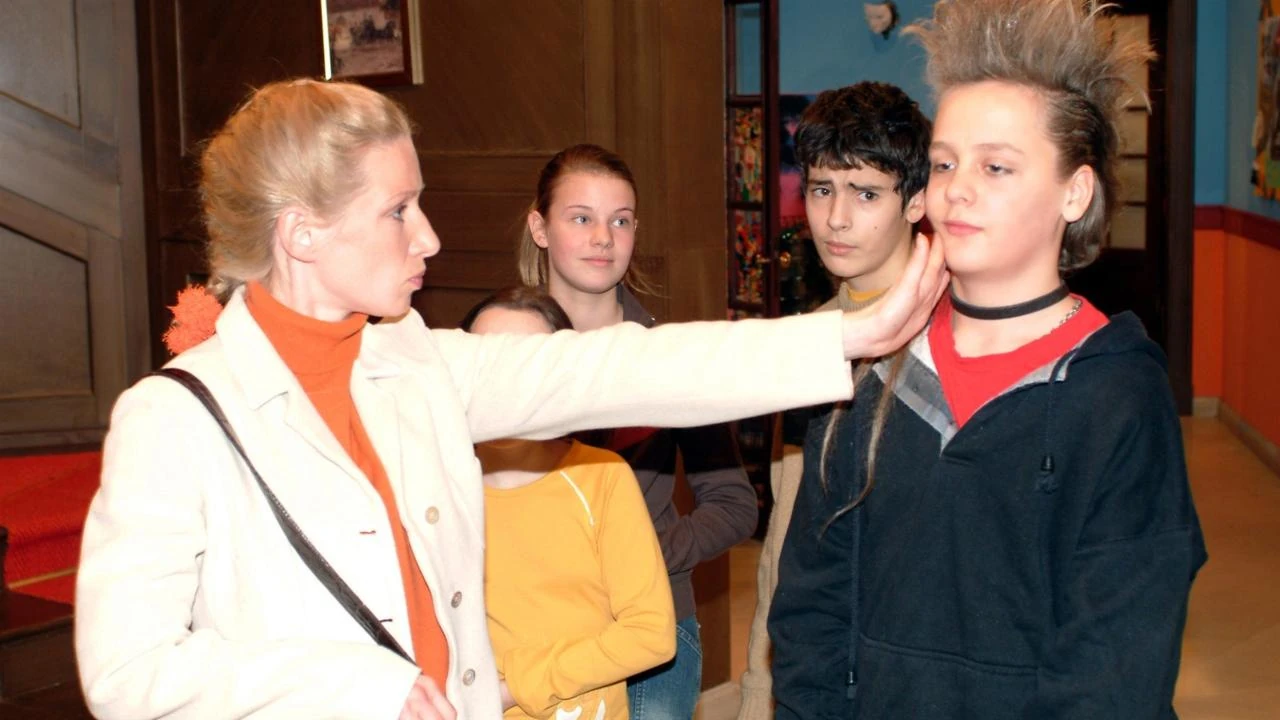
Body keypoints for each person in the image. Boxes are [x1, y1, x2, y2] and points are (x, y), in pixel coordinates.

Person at [73, 78, 947, 720]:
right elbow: (127, 674)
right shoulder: (172, 420)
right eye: (399, 210)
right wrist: (353, 684)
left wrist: (841, 338)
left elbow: (622, 369)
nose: (429, 237)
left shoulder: (413, 363)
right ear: (302, 232)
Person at [768, 2, 1207, 718]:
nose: (957, 189)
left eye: (996, 166)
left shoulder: (1118, 396)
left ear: (1075, 192)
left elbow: (1114, 668)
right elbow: (812, 608)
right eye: (944, 163)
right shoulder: (875, 366)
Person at [518, 144, 757, 719]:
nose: (603, 237)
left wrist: (644, 556)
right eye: (582, 218)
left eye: (620, 221)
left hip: (650, 634)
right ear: (540, 228)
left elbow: (734, 505)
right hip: (531, 627)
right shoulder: (501, 347)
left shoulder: (667, 358)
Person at [737, 80, 931, 720]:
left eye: (866, 193)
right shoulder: (810, 340)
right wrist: (759, 693)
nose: (837, 218)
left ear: (916, 200)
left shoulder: (954, 337)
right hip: (816, 675)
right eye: (822, 189)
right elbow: (783, 545)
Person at [463, 287, 674, 720]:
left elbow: (650, 633)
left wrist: (511, 689)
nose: (501, 384)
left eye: (524, 365)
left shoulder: (601, 475)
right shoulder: (432, 483)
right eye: (484, 363)